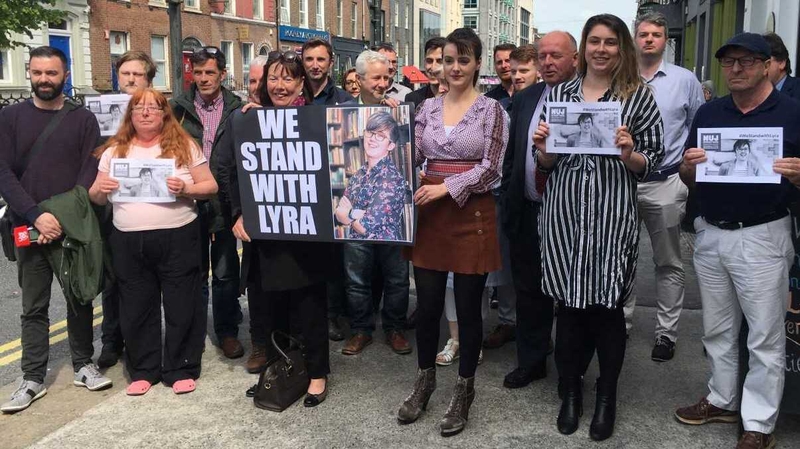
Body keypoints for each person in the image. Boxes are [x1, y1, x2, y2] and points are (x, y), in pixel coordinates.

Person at [533, 14, 665, 441]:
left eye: (610, 42)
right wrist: (544, 149)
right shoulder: (562, 94)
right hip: (565, 216)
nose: (602, 49)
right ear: (584, 48)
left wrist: (629, 153)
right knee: (569, 309)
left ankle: (606, 396)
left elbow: (654, 161)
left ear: (621, 47)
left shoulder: (637, 97)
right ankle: (571, 392)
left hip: (611, 218)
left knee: (608, 311)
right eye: (594, 41)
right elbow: (546, 164)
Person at [675, 32, 800, 449]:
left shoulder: (793, 113)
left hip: (763, 234)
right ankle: (723, 398)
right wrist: (688, 168)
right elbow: (687, 173)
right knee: (718, 329)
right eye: (729, 63)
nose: (737, 69)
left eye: (747, 61)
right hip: (712, 232)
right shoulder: (710, 113)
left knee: (764, 335)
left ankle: (759, 423)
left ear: (768, 65)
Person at [397, 27, 509, 437]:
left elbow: (492, 168)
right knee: (426, 307)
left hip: (470, 215)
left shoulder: (492, 111)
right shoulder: (425, 109)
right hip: (429, 217)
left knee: (467, 308)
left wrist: (447, 187)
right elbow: (409, 154)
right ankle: (425, 381)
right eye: (448, 60)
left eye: (463, 59)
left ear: (477, 63)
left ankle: (463, 391)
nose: (455, 67)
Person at [219, 52, 335, 407]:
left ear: (301, 83)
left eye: (288, 79)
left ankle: (316, 374)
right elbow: (226, 170)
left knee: (309, 305)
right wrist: (238, 214)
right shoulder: (246, 119)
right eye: (273, 78)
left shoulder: (319, 119)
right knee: (270, 307)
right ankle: (278, 370)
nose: (279, 86)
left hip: (308, 233)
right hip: (265, 233)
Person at [0, 46, 110, 413]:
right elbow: (5, 174)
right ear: (29, 73)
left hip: (69, 227)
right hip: (29, 228)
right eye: (37, 73)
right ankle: (32, 377)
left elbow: (86, 174)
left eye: (52, 73)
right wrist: (35, 216)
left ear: (65, 74)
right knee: (34, 306)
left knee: (79, 298)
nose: (44, 79)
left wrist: (62, 218)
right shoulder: (10, 117)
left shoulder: (83, 120)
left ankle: (83, 364)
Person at [89, 88, 217, 396]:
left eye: (153, 108)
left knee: (181, 302)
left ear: (164, 114)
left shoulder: (184, 145)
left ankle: (181, 366)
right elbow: (94, 195)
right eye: (139, 108)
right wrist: (101, 188)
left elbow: (210, 186)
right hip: (129, 240)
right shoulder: (113, 151)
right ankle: (144, 369)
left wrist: (186, 187)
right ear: (130, 116)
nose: (146, 113)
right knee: (135, 305)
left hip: (178, 235)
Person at [498, 30, 578, 389]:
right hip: (528, 208)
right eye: (542, 56)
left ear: (575, 59)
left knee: (572, 295)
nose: (547, 62)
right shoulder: (527, 97)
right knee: (530, 292)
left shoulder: (589, 99)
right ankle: (531, 362)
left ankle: (570, 371)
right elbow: (514, 154)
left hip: (572, 216)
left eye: (556, 56)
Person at [624, 12, 705, 361]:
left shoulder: (684, 80)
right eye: (643, 34)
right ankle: (620, 323)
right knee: (621, 257)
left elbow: (697, 127)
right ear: (634, 37)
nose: (649, 40)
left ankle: (666, 333)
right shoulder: (619, 78)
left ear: (665, 40)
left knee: (669, 261)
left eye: (656, 34)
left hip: (666, 181)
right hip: (623, 182)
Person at [170, 46, 245, 360]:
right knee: (194, 272)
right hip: (189, 200)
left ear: (222, 74)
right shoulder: (177, 109)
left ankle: (227, 332)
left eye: (209, 72)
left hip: (225, 200)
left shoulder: (238, 108)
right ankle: (196, 332)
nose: (203, 78)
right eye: (198, 72)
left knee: (226, 272)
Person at [341, 50, 411, 356]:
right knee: (356, 280)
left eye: (387, 77)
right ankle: (361, 330)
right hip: (357, 238)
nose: (383, 83)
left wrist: (353, 215)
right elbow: (339, 208)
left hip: (391, 232)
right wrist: (354, 214)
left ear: (390, 143)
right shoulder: (341, 110)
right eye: (376, 77)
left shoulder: (397, 112)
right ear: (359, 79)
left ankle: (394, 328)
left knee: (396, 279)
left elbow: (357, 214)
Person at [96, 50, 158, 370]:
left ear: (149, 80)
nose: (131, 79)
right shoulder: (100, 111)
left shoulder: (161, 110)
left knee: (148, 281)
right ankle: (111, 340)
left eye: (138, 74)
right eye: (125, 74)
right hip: (114, 205)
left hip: (151, 205)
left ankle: (147, 341)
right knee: (113, 280)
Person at [334, 111, 407, 240]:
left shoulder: (391, 178)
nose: (372, 138)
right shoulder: (359, 174)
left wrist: (349, 214)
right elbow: (339, 214)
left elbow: (365, 227)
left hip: (383, 253)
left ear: (390, 145)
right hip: (356, 249)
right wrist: (355, 214)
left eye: (380, 136)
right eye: (370, 132)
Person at [302, 39, 352, 105]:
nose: (315, 66)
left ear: (330, 63)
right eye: (309, 59)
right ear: (302, 62)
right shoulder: (291, 98)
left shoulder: (344, 101)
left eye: (320, 59)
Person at [406, 37, 447, 109]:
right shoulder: (412, 99)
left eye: (439, 61)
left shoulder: (460, 98)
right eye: (429, 61)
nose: (433, 67)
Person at [762, 32, 800, 101]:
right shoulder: (754, 93)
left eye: (766, 62)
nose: (760, 68)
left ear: (782, 63)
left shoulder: (797, 90)